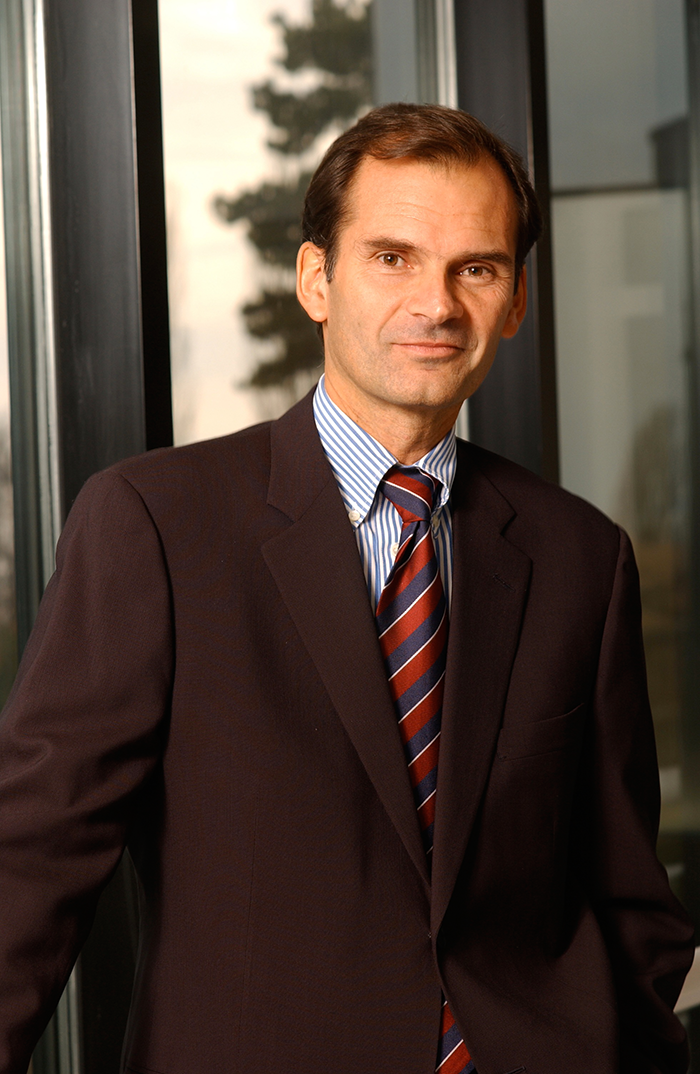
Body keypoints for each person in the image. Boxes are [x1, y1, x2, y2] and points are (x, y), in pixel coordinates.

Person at [0, 103, 693, 1074]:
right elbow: (32, 859)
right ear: (316, 279)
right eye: (393, 258)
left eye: (476, 269)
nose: (436, 305)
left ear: (515, 302)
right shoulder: (156, 523)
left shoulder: (580, 555)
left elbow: (626, 893)